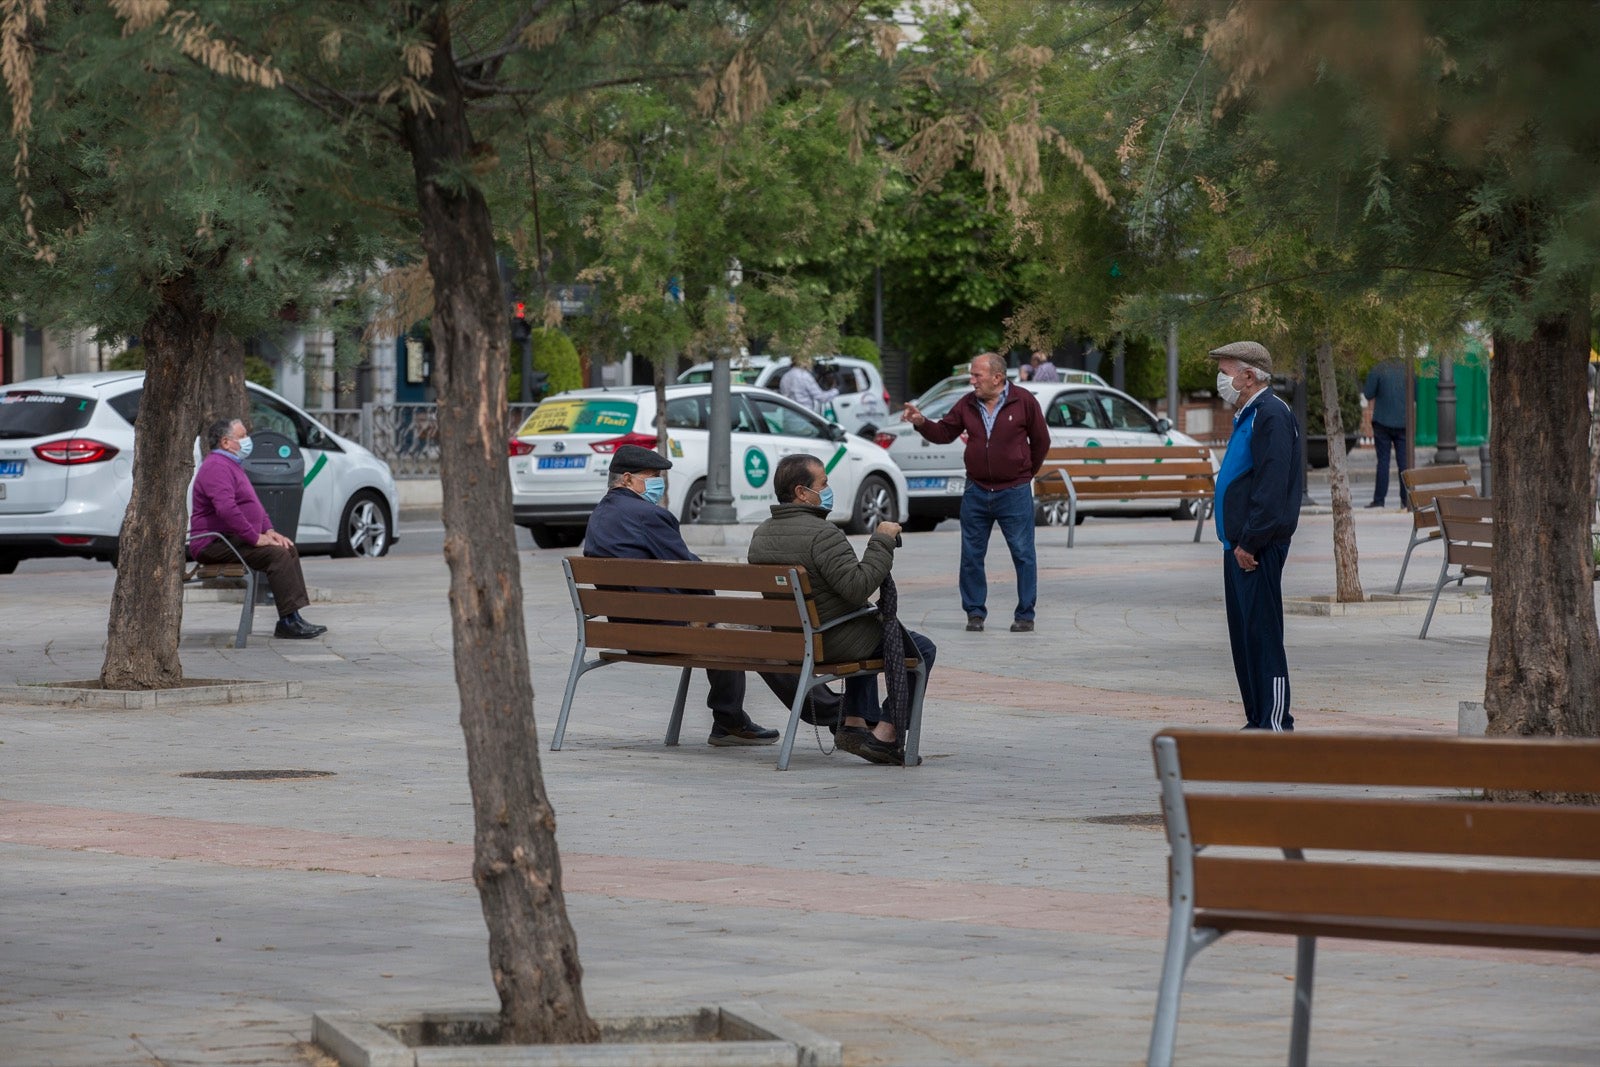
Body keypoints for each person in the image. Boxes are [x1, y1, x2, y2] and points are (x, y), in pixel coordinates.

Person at [583, 444, 841, 746]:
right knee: (754, 633)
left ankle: (728, 720)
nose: (659, 483)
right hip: (660, 633)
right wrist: (709, 606)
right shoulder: (648, 515)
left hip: (623, 632)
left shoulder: (599, 515)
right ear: (627, 479)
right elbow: (691, 572)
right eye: (653, 476)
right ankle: (833, 712)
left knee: (723, 630)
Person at [748, 453, 935, 765]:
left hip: (792, 637)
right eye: (823, 484)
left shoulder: (761, 534)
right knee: (921, 649)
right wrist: (882, 541)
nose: (828, 489)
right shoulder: (824, 534)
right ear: (801, 492)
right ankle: (885, 734)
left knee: (867, 625)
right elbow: (858, 587)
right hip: (826, 639)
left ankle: (855, 723)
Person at [901, 352, 1050, 633]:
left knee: (1023, 553)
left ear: (997, 377)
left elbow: (1041, 440)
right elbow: (944, 433)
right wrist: (921, 422)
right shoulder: (967, 404)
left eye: (977, 375)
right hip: (977, 490)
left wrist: (1025, 473)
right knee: (971, 555)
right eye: (972, 375)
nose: (972, 381)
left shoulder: (1024, 401)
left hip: (1014, 491)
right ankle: (975, 613)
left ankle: (1025, 615)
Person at [1208, 341, 1304, 731]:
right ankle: (1256, 717)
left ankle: (1275, 719)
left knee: (1262, 634)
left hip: (1256, 546)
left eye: (1226, 370)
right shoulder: (1249, 413)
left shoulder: (1271, 414)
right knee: (1244, 636)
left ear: (1249, 376)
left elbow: (1271, 484)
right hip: (1238, 545)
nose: (1221, 379)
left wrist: (1251, 541)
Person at [190, 419, 328, 640]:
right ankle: (287, 622)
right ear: (226, 442)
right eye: (242, 436)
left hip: (230, 539)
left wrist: (269, 531)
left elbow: (253, 504)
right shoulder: (216, 466)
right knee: (277, 555)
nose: (248, 440)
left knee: (286, 547)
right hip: (213, 542)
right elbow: (227, 509)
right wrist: (254, 537)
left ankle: (293, 617)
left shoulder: (232, 464)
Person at [1361, 357, 1410, 508]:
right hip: (1403, 422)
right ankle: (1406, 500)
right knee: (1404, 463)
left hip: (1382, 421)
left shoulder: (1378, 368)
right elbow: (1415, 394)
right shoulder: (1408, 369)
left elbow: (1368, 393)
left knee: (1383, 462)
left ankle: (1379, 500)